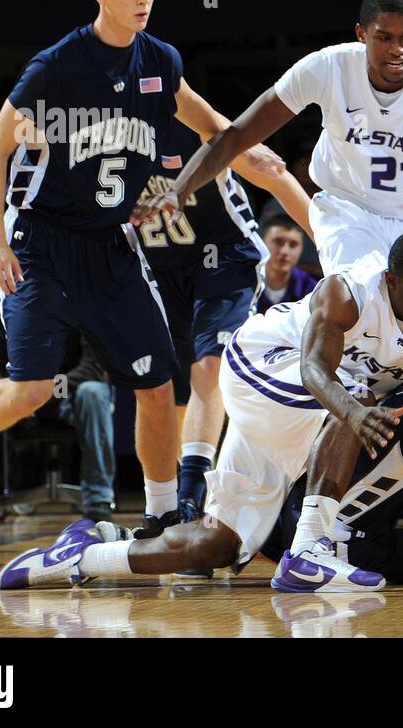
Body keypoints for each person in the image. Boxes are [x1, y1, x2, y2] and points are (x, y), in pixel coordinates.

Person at [0, 0, 291, 538]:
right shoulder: (56, 66)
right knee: (32, 389)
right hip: (41, 240)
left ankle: (163, 513)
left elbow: (211, 126)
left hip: (111, 245)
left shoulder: (160, 61)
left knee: (157, 384)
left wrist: (250, 147)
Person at [0, 328, 403, 590]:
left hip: (351, 517)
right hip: (316, 509)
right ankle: (91, 553)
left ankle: (115, 539)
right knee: (214, 547)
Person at [132, 0, 403, 312]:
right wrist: (179, 188)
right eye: (385, 38)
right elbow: (236, 135)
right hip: (349, 210)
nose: (398, 50)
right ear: (361, 34)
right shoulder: (327, 68)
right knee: (361, 306)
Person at [140, 118, 310, 526]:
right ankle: (163, 507)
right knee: (163, 390)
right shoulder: (102, 138)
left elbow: (275, 178)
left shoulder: (194, 122)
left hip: (225, 260)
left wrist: (331, 237)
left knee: (211, 366)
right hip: (159, 266)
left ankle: (192, 494)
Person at [0, 317, 116, 522]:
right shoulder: (13, 302)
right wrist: (10, 395)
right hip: (16, 396)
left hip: (66, 395)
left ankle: (98, 497)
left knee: (93, 393)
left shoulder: (79, 299)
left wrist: (41, 394)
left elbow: (92, 367)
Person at [256, 214, 319, 313]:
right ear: (262, 243)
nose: (285, 251)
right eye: (278, 242)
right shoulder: (244, 282)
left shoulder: (312, 289)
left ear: (302, 248)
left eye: (293, 245)